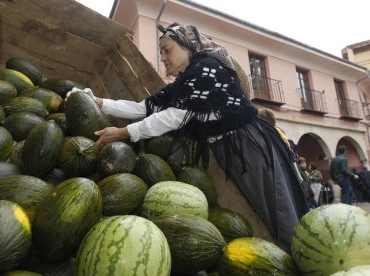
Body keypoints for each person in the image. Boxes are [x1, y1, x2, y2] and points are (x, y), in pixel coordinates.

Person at [67, 23, 309, 253]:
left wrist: (123, 132)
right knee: (268, 210)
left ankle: (304, 257)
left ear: (187, 46)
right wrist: (99, 102)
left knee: (278, 210)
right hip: (232, 151)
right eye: (161, 51)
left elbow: (174, 117)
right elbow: (144, 108)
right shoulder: (184, 84)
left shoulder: (205, 68)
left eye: (167, 49)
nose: (163, 57)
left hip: (250, 147)